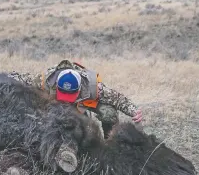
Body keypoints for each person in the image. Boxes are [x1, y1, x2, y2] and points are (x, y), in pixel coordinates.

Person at [8, 59, 143, 139]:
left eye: (70, 96)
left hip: (83, 101)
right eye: (64, 94)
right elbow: (18, 77)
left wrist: (134, 111)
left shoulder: (93, 87)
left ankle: (110, 140)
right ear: (57, 87)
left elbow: (118, 99)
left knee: (109, 112)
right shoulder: (45, 81)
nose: (67, 100)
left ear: (79, 89)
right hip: (56, 103)